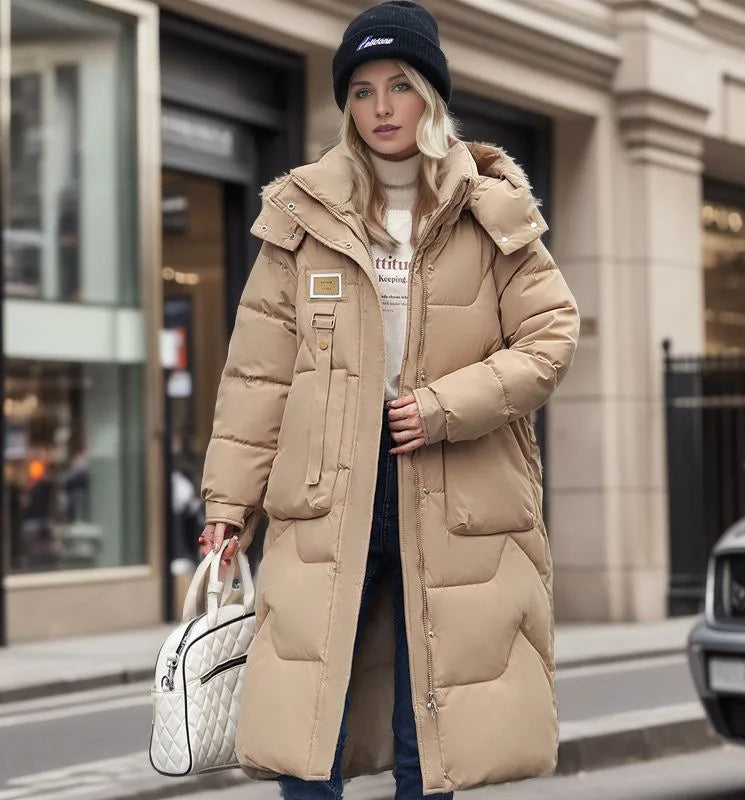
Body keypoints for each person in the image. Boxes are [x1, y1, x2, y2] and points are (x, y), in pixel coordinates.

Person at [198, 2, 579, 797]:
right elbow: (258, 373)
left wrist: (441, 406)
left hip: (446, 483)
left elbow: (550, 338)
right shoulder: (302, 215)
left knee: (429, 729)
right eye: (362, 91)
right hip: (324, 489)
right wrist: (229, 506)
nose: (379, 108)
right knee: (307, 726)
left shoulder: (489, 207)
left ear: (430, 98)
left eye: (399, 86)